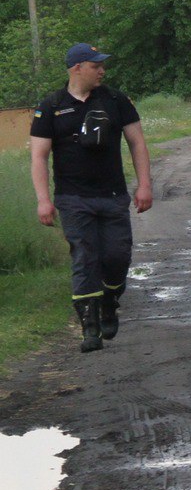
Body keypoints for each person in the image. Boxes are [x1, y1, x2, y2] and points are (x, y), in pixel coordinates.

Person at [28, 43, 154, 352]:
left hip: (112, 196)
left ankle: (110, 300)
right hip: (73, 198)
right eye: (95, 65)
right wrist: (43, 200)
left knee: (116, 257)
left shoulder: (115, 100)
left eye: (102, 65)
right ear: (76, 68)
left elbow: (137, 143)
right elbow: (39, 157)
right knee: (84, 257)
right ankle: (90, 327)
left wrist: (144, 185)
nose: (102, 70)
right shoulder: (51, 106)